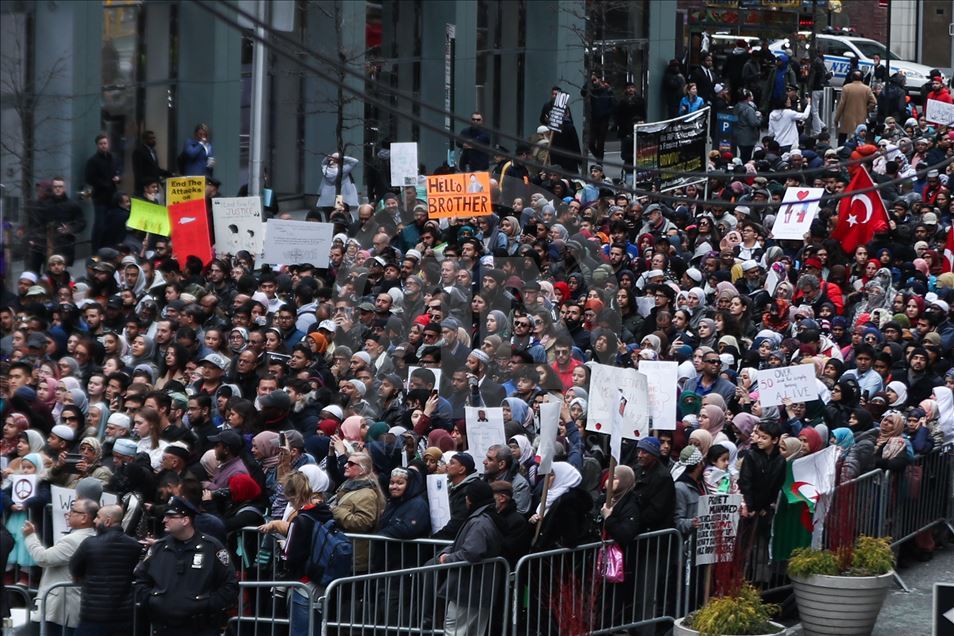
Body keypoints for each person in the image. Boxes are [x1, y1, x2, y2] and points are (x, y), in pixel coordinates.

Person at [133, 496, 238, 636]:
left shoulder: (211, 548)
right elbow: (141, 580)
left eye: (170, 516)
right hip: (164, 627)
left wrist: (207, 604)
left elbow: (229, 586)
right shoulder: (159, 547)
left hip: (201, 628)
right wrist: (153, 601)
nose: (164, 520)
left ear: (185, 520)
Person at [436, 480, 504, 636]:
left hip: (468, 589)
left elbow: (471, 552)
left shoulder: (480, 521)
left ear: (471, 499)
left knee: (454, 630)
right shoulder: (486, 517)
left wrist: (447, 559)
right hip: (477, 589)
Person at [24, 498, 99, 636]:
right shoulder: (92, 536)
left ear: (84, 517)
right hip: (66, 607)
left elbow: (43, 558)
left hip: (60, 608)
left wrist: (30, 537)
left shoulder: (73, 540)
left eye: (73, 510)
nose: (68, 514)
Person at [69, 504, 144, 636]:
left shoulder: (90, 544)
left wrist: (80, 577)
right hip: (122, 614)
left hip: (93, 614)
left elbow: (75, 567)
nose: (94, 521)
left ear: (108, 521)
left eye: (98, 517)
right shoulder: (134, 545)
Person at [85, 133, 120, 252]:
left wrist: (117, 178)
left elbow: (117, 171)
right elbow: (89, 178)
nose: (103, 146)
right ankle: (95, 249)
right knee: (99, 224)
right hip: (100, 196)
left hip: (112, 196)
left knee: (110, 223)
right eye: (101, 144)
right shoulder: (93, 161)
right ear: (97, 145)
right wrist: (105, 184)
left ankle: (108, 246)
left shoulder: (113, 158)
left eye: (105, 143)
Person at [834, 71, 876, 144]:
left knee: (842, 137)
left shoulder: (846, 88)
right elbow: (874, 102)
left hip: (847, 117)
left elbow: (841, 104)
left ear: (852, 77)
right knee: (859, 136)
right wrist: (867, 110)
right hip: (861, 116)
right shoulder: (867, 89)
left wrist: (837, 118)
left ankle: (841, 152)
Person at [132, 130, 171, 195]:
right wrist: (146, 185)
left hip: (153, 187)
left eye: (154, 138)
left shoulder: (153, 151)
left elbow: (155, 168)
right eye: (151, 138)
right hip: (144, 188)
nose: (153, 140)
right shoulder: (139, 152)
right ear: (145, 140)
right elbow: (138, 172)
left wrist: (169, 174)